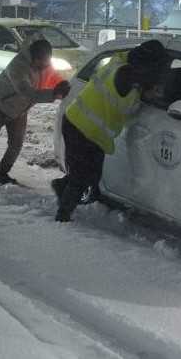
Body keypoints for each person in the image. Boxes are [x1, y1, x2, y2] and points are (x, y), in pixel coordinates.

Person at [52, 39, 168, 222]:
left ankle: (60, 187)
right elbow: (128, 110)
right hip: (81, 128)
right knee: (82, 176)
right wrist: (148, 93)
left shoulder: (120, 62)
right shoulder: (127, 76)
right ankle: (63, 217)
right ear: (149, 66)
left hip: (83, 126)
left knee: (91, 174)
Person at [0, 38, 69, 184]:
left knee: (16, 144)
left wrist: (62, 84)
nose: (45, 66)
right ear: (34, 57)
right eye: (42, 62)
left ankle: (2, 174)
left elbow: (52, 76)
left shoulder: (43, 63)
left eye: (46, 62)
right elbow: (27, 92)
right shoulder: (18, 67)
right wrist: (53, 94)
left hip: (19, 110)